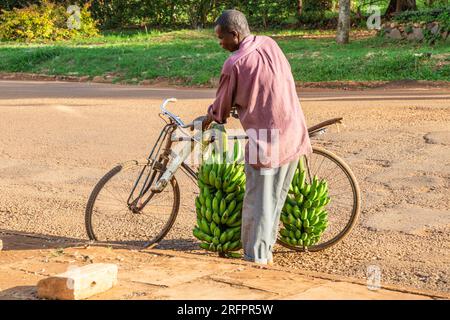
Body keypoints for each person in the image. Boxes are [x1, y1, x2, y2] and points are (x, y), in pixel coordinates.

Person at [197, 9, 312, 264]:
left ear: (235, 34)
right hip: (293, 132)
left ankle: (255, 260)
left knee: (257, 204)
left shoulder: (234, 63)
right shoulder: (270, 43)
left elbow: (220, 108)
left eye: (221, 38)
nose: (220, 43)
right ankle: (265, 253)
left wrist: (208, 119)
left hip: (267, 142)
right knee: (275, 200)